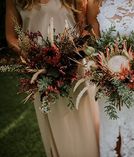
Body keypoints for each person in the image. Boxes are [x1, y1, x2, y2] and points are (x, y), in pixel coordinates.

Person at [5, 0, 99, 156]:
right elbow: (11, 37)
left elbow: (84, 30)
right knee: (57, 123)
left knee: (84, 120)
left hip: (75, 68)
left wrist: (74, 53)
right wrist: (32, 55)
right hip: (41, 72)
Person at [87, 0, 134, 156]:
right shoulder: (95, 4)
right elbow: (94, 46)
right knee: (110, 127)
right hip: (107, 80)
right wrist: (107, 72)